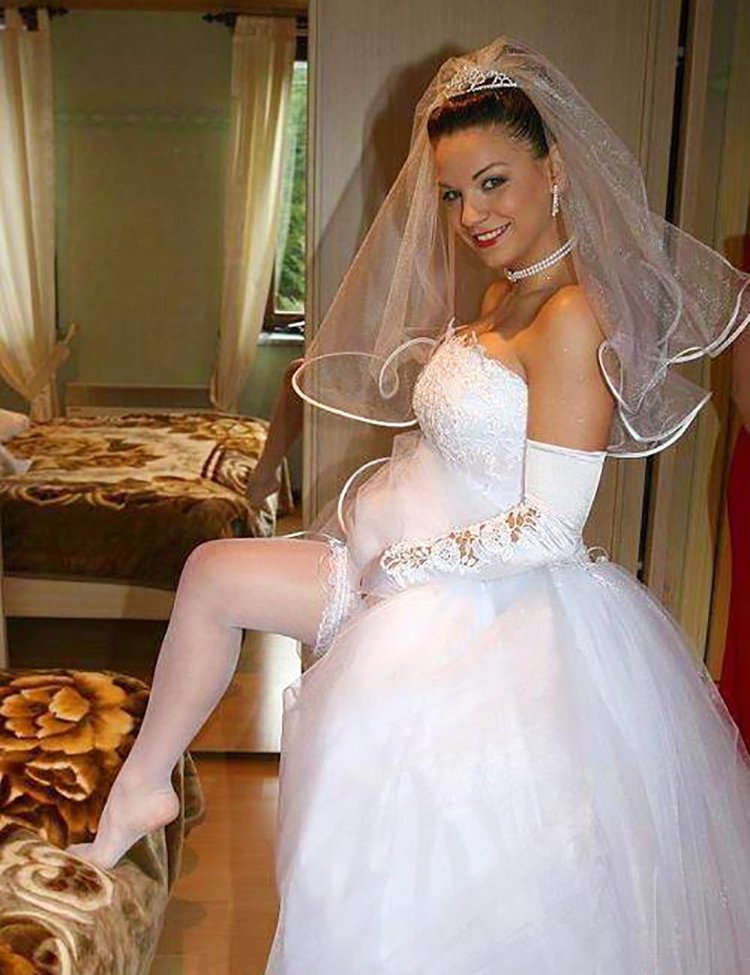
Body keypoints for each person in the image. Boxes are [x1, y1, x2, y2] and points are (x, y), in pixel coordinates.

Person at [68, 37, 750, 972]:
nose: (472, 215)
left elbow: (552, 527)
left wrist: (409, 568)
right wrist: (385, 551)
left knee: (402, 846)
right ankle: (141, 789)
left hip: (490, 606)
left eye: (494, 183)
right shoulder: (504, 297)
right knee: (213, 573)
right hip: (398, 561)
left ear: (555, 170)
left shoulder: (570, 317)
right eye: (453, 193)